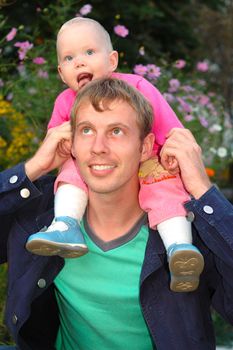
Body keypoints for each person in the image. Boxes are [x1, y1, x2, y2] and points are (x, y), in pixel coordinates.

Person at [1, 78, 233, 350]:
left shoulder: (185, 232)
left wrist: (203, 191)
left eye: (116, 131)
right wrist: (32, 168)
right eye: (86, 130)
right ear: (71, 143)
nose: (98, 147)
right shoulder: (41, 219)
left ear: (145, 147)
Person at [25, 17, 204, 292]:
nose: (80, 62)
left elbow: (170, 127)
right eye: (70, 57)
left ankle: (179, 250)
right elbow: (57, 141)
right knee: (70, 173)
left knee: (164, 192)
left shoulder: (137, 88)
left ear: (112, 60)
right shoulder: (65, 102)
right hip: (91, 166)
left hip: (151, 161)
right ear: (61, 73)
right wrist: (53, 154)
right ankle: (65, 224)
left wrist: (174, 154)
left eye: (89, 52)